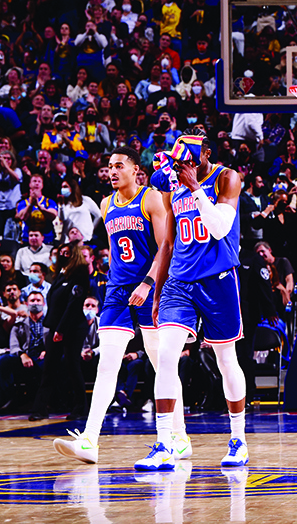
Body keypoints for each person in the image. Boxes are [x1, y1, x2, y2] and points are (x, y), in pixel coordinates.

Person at [52, 146, 191, 465]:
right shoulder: (105, 203)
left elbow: (165, 248)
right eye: (108, 166)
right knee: (106, 364)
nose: (111, 171)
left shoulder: (151, 198)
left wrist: (148, 283)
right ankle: (89, 438)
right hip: (116, 291)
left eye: (118, 166)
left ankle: (179, 437)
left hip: (151, 288)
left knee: (162, 366)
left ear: (135, 171)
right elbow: (115, 251)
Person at [149, 131, 248, 470]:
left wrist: (194, 188)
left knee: (226, 360)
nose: (184, 168)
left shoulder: (227, 178)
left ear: (206, 153)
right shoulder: (172, 187)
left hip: (219, 279)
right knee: (165, 355)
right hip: (180, 280)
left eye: (190, 161)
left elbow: (220, 228)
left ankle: (238, 439)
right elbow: (168, 243)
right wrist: (158, 288)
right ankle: (165, 442)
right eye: (180, 164)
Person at [28, 242, 91, 421]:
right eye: (60, 252)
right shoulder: (60, 275)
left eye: (65, 252)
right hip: (55, 327)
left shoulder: (79, 274)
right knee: (49, 367)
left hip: (72, 328)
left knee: (73, 367)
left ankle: (80, 408)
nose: (61, 255)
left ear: (74, 255)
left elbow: (73, 304)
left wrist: (61, 329)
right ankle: (39, 408)